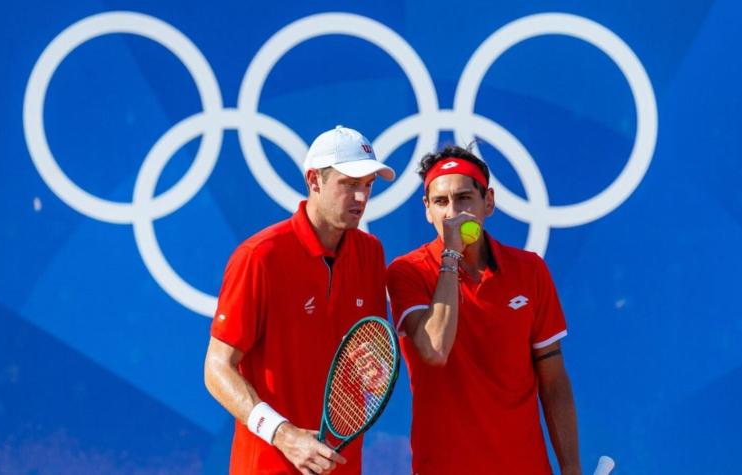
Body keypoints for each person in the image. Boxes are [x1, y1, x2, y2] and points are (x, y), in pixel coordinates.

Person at [204, 126, 395, 475]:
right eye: (349, 184)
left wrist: (375, 372)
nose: (361, 198)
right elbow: (217, 369)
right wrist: (284, 435)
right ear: (314, 180)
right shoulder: (259, 256)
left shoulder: (371, 253)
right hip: (267, 465)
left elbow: (372, 358)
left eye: (368, 185)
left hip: (341, 465)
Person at [386, 145, 581, 475]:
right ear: (427, 210)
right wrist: (452, 256)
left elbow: (554, 382)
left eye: (464, 198)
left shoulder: (530, 270)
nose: (453, 212)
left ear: (487, 202)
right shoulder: (407, 272)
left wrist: (572, 469)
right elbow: (434, 349)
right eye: (440, 202)